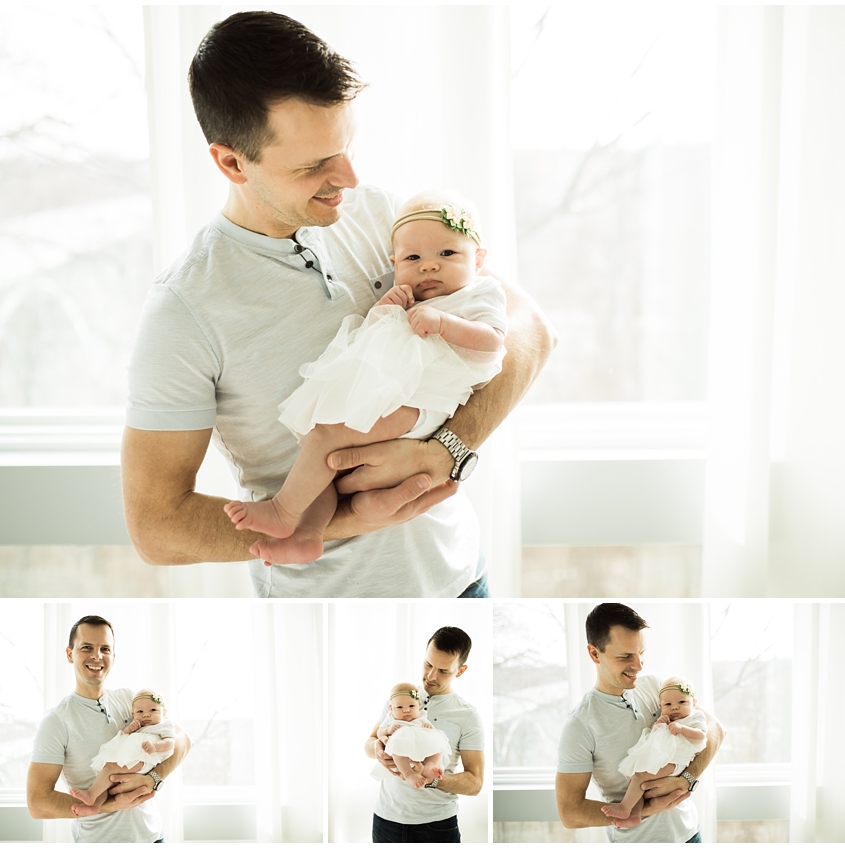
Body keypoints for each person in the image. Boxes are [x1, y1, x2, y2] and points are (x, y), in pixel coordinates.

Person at [121, 10, 557, 598]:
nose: (347, 178)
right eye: (313, 166)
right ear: (230, 162)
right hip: (324, 607)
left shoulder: (384, 217)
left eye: (346, 148)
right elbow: (156, 528)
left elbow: (529, 328)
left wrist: (447, 450)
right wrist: (346, 521)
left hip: (463, 579)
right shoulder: (186, 309)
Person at [223, 189, 507, 565]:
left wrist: (445, 324)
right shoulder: (408, 297)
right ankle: (308, 535)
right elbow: (372, 341)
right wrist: (383, 310)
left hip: (423, 405)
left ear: (479, 259)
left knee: (326, 438)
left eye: (447, 254)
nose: (428, 266)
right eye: (412, 258)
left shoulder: (480, 293)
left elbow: (493, 346)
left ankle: (282, 512)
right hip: (392, 397)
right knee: (320, 448)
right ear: (394, 261)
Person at [555, 604, 725, 843]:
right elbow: (570, 813)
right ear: (595, 654)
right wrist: (648, 808)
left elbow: (715, 728)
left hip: (690, 835)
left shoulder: (657, 688)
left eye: (641, 653)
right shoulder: (580, 724)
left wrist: (685, 779)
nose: (639, 665)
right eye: (626, 656)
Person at [27, 616, 192, 843]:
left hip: (154, 839)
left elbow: (183, 739)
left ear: (113, 657)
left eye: (105, 648)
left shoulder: (130, 700)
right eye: (87, 647)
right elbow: (38, 803)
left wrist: (152, 778)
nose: (97, 656)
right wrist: (111, 805)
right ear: (69, 654)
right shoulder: (56, 721)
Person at [365, 626, 483, 843]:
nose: (431, 676)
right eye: (428, 664)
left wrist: (431, 779)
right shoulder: (400, 698)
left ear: (460, 671)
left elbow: (475, 783)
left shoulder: (467, 715)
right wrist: (377, 749)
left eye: (443, 671)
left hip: (436, 826)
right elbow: (370, 742)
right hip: (385, 820)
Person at [600, 677, 707, 826]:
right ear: (660, 706)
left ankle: (625, 807)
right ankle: (634, 815)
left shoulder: (695, 716)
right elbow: (653, 737)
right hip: (663, 759)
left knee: (639, 777)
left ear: (694, 703)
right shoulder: (667, 720)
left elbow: (702, 735)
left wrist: (683, 729)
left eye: (681, 702)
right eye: (668, 704)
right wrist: (657, 725)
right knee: (636, 780)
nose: (674, 707)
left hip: (676, 762)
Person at [70, 690, 176, 817]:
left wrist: (156, 746)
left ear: (164, 712)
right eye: (140, 712)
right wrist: (128, 730)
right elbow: (123, 740)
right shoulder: (138, 727)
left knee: (109, 768)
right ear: (133, 714)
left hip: (144, 760)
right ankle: (94, 806)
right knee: (107, 781)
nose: (146, 715)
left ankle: (91, 794)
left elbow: (171, 742)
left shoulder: (164, 725)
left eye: (153, 710)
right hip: (135, 758)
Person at [374, 682, 452, 788]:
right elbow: (379, 732)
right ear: (391, 708)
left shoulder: (421, 716)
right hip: (402, 746)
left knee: (439, 745)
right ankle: (408, 773)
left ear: (418, 705)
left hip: (421, 745)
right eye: (399, 707)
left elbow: (432, 731)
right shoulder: (391, 718)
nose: (406, 710)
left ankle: (430, 765)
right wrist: (388, 730)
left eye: (411, 706)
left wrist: (430, 728)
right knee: (397, 749)